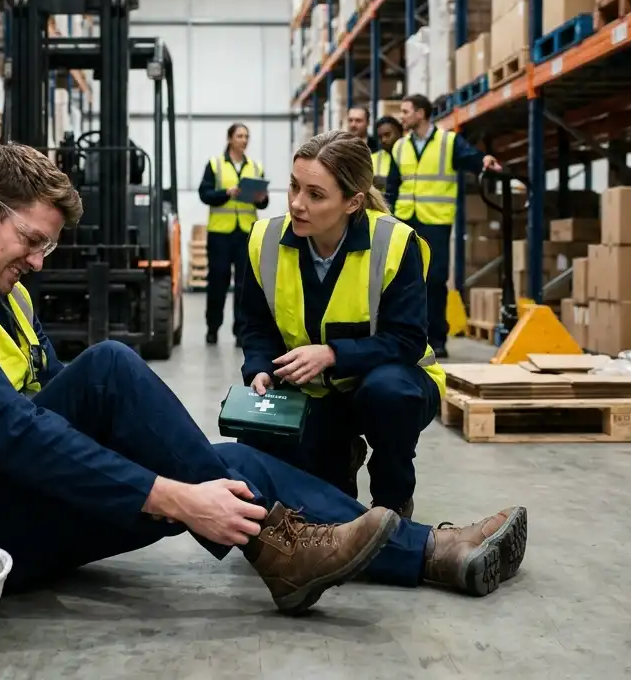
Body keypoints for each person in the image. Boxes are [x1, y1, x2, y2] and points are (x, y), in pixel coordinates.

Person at [0, 143, 528, 615]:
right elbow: (15, 434)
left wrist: (181, 482)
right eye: (33, 241)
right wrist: (174, 497)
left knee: (223, 465)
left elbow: (52, 402)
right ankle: (277, 549)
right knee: (124, 387)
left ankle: (435, 552)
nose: (40, 263)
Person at [235, 129, 447, 521]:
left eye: (315, 195)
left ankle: (392, 502)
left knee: (389, 394)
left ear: (353, 202)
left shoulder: (396, 244)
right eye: (295, 187)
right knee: (324, 512)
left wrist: (333, 353)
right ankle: (339, 456)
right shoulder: (265, 240)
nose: (298, 204)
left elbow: (408, 339)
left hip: (391, 383)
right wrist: (260, 368)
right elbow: (255, 324)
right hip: (314, 392)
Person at [389, 94, 503, 357]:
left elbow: (470, 156)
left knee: (435, 280)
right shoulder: (400, 146)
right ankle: (405, 337)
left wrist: (483, 161)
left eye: (406, 111)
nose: (402, 116)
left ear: (420, 113)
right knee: (403, 280)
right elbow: (394, 186)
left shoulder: (447, 141)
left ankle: (437, 339)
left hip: (436, 220)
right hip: (406, 219)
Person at [198, 123, 269, 346]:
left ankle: (241, 332)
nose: (244, 140)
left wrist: (260, 199)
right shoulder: (215, 164)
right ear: (230, 139)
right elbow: (205, 194)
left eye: (246, 136)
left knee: (244, 285)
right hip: (220, 233)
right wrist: (226, 193)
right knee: (217, 282)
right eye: (240, 136)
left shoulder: (256, 167)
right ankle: (212, 327)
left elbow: (264, 201)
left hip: (247, 232)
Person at [346, 106, 397, 191]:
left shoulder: (379, 146)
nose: (353, 124)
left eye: (358, 121)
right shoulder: (340, 146)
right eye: (350, 120)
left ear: (368, 122)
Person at [373, 115, 404, 193]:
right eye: (380, 137)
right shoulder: (372, 159)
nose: (383, 140)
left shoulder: (411, 154)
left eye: (387, 135)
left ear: (400, 133)